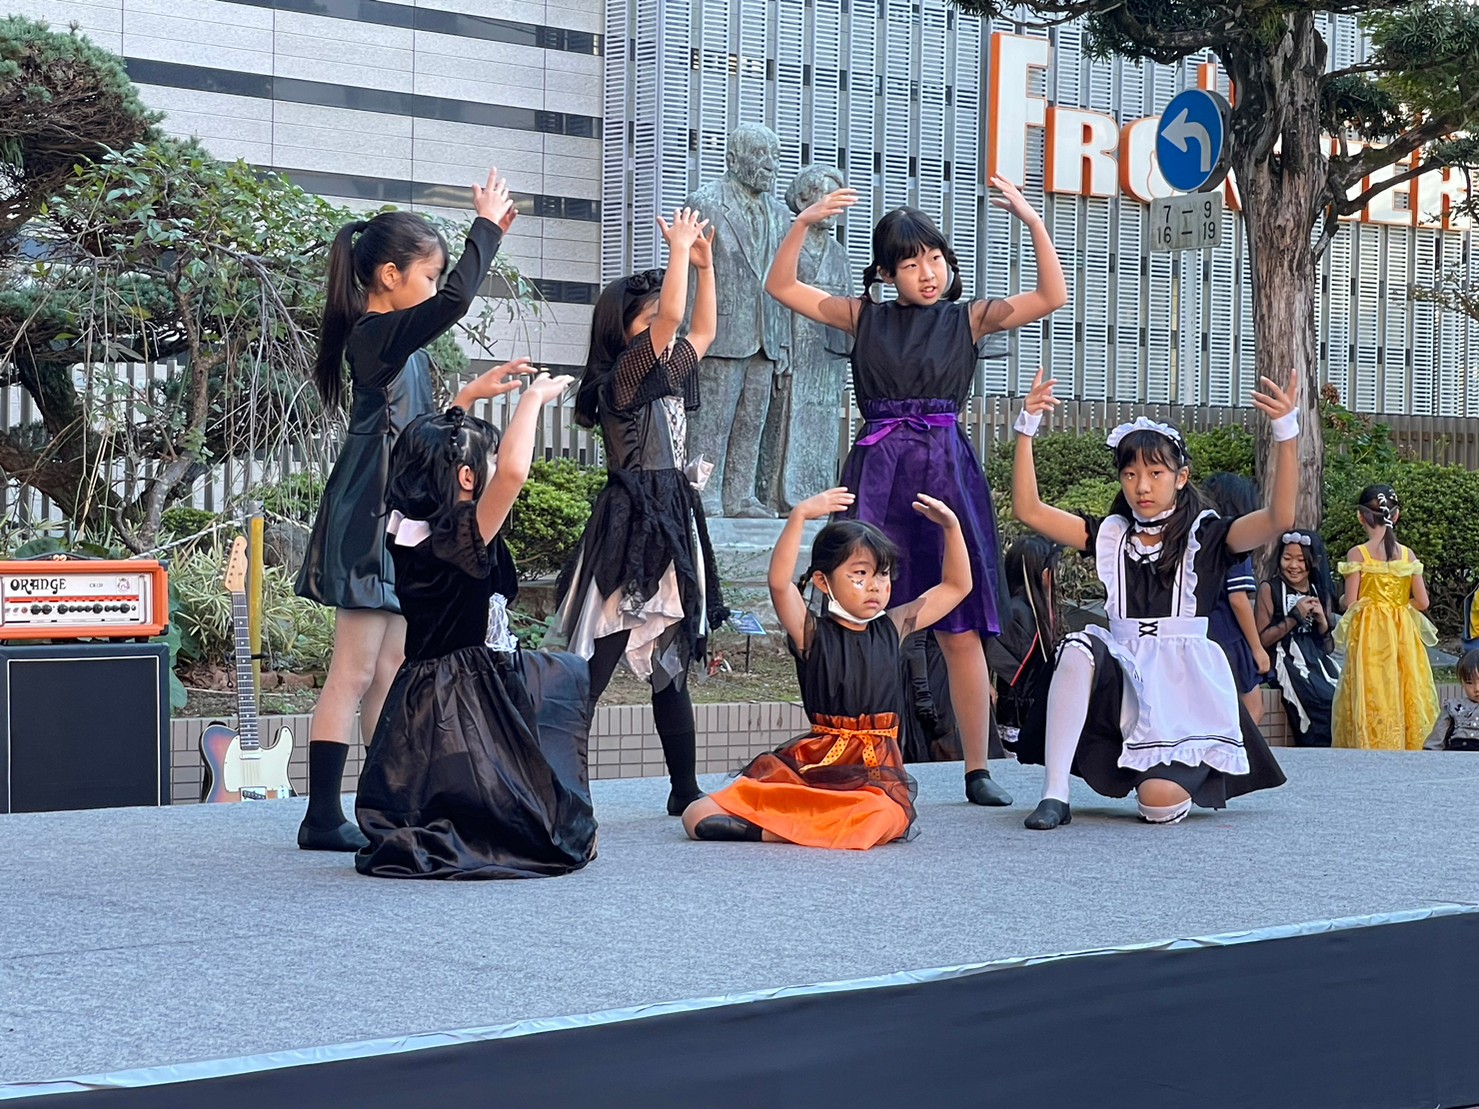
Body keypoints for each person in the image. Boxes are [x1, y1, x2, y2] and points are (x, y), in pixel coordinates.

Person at [764, 179, 1067, 808]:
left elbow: (1051, 295)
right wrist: (804, 223)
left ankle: (977, 768)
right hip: (879, 472)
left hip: (946, 472)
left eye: (934, 258)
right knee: (859, 619)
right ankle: (857, 756)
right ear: (886, 273)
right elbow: (782, 286)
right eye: (909, 264)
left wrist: (1032, 219)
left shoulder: (969, 318)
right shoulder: (863, 316)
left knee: (959, 627)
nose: (927, 273)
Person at [295, 170, 528, 851]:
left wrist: (468, 399)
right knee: (354, 668)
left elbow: (417, 430)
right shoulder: (376, 333)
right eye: (427, 275)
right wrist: (485, 229)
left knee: (392, 665)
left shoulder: (398, 342)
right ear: (389, 275)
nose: (434, 289)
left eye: (435, 277)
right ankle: (320, 815)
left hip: (393, 510)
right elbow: (456, 300)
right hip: (373, 511)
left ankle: (387, 801)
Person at [1009, 370, 1295, 830]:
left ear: (1181, 477)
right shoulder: (1111, 535)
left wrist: (1286, 431)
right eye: (1130, 474)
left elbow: (1280, 517)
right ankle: (1054, 795)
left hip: (1183, 686)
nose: (1141, 486)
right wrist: (1026, 427)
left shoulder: (1209, 535)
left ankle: (1165, 775)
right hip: (1123, 675)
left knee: (1158, 805)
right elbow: (1029, 510)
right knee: (1079, 646)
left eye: (1155, 473)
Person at [354, 377, 599, 879]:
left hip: (426, 691)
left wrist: (464, 401)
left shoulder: (415, 529)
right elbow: (512, 473)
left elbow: (429, 448)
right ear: (467, 477)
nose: (493, 466)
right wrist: (531, 399)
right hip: (466, 694)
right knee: (525, 822)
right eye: (483, 460)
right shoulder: (460, 538)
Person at [551, 208, 728, 816]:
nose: (662, 327)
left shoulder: (667, 370)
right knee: (596, 658)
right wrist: (678, 250)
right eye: (647, 320)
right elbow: (675, 320)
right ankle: (558, 788)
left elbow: (702, 331)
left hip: (671, 518)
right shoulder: (622, 378)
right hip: (630, 521)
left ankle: (685, 789)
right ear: (624, 330)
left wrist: (705, 267)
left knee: (669, 662)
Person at [679, 486, 969, 848]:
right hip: (815, 766)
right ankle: (805, 827)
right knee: (697, 814)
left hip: (872, 776)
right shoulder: (811, 633)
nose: (875, 586)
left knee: (883, 816)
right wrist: (799, 515)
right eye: (860, 574)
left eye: (882, 575)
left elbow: (956, 586)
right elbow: (779, 585)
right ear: (822, 581)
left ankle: (773, 832)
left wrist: (952, 527)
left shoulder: (893, 627)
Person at [683, 124, 791, 517]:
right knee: (710, 422)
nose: (770, 165)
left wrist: (784, 342)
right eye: (761, 155)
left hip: (766, 337)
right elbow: (689, 274)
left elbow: (785, 282)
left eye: (775, 156)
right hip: (718, 334)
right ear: (733, 159)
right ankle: (700, 493)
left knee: (750, 422)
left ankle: (741, 495)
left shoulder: (781, 215)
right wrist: (688, 338)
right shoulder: (705, 202)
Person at [1331, 485, 1440, 750]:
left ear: (1361, 516)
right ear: (1396, 515)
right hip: (1403, 630)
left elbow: (1352, 602)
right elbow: (1423, 602)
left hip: (1370, 633)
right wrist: (1398, 606)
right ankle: (1410, 741)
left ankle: (1373, 741)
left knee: (1372, 685)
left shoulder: (1358, 554)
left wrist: (1350, 601)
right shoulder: (1407, 555)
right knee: (1406, 683)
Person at [1199, 473, 1273, 722]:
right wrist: (1257, 648)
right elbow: (1238, 599)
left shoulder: (1199, 540)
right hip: (1229, 635)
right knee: (1253, 710)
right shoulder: (1234, 540)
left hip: (1201, 632)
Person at [1257, 529, 1341, 747]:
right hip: (1284, 659)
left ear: (1313, 562)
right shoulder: (1270, 589)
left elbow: (1327, 648)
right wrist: (1295, 616)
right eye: (1287, 558)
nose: (1293, 565)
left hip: (1316, 659)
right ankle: (1315, 750)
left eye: (1301, 560)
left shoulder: (1318, 590)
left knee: (1341, 696)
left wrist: (1322, 622)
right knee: (1319, 700)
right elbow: (1261, 640)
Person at [991, 535, 1065, 740]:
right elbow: (1014, 670)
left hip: (1027, 709)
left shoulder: (1026, 610)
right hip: (1018, 714)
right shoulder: (1018, 612)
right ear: (1043, 573)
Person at [1424, 649, 1479, 751]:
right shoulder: (1453, 707)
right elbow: (1436, 741)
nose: (1476, 688)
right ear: (1462, 683)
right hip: (1456, 754)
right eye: (1469, 683)